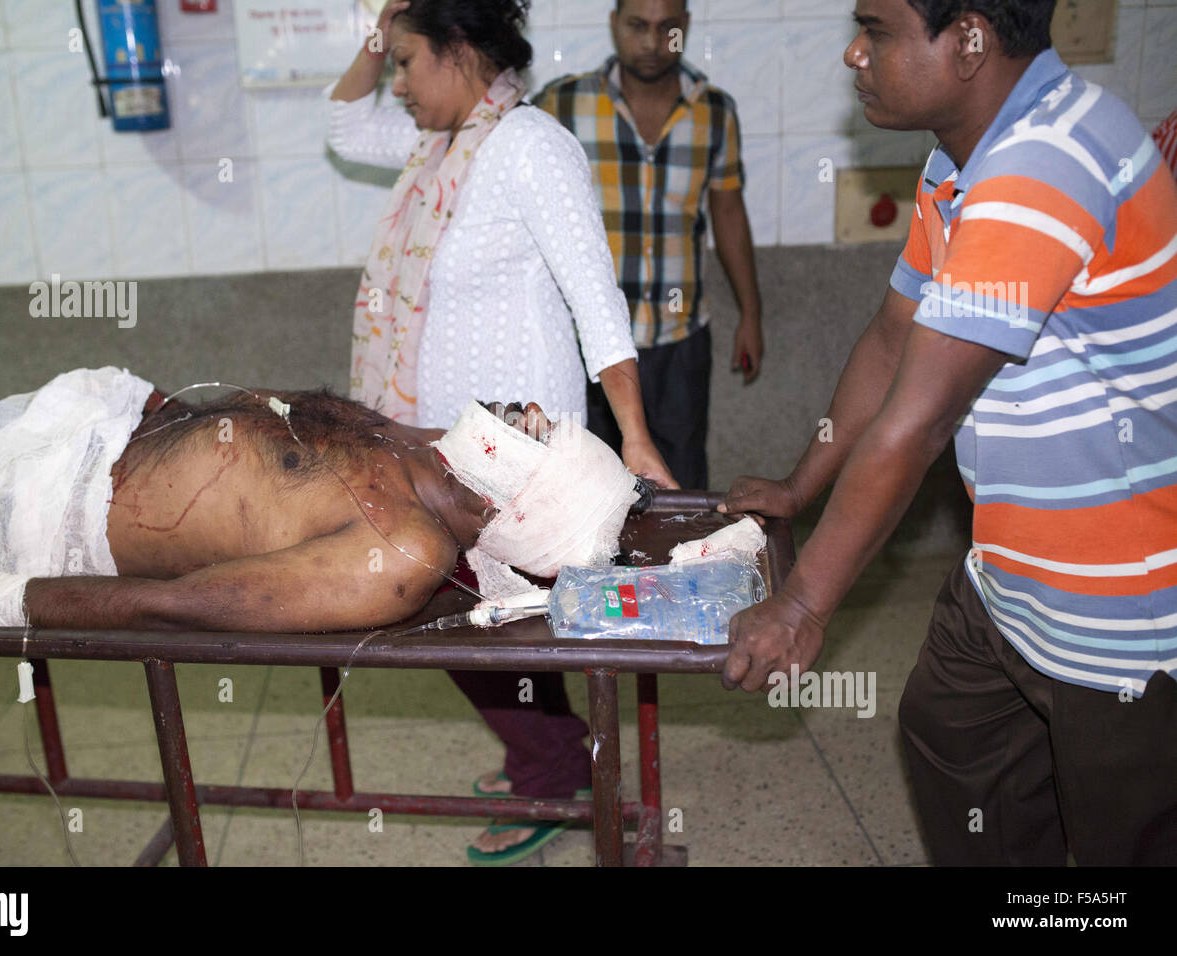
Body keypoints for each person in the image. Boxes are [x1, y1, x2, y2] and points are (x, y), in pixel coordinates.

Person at [718, 0, 1177, 865]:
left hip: (1120, 611)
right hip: (1012, 574)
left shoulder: (1045, 163)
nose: (854, 53)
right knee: (950, 737)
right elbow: (893, 339)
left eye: (878, 29)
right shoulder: (957, 163)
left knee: (1127, 840)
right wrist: (798, 487)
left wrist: (805, 603)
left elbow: (917, 421)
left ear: (970, 39)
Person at [326, 0, 676, 863]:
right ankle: (559, 758)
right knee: (486, 615)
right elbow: (338, 123)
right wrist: (383, 23)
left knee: (454, 610)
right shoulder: (433, 147)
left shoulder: (528, 144)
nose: (397, 84)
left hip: (507, 451)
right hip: (433, 444)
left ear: (459, 50)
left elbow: (597, 298)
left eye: (408, 62)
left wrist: (634, 435)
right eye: (393, 63)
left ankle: (552, 775)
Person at [0, 368, 637, 639]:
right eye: (546, 418)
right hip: (86, 426)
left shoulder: (402, 552)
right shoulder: (421, 444)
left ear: (518, 510)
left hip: (42, 510)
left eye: (540, 436)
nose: (533, 410)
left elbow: (176, 607)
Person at [533, 0, 764, 489]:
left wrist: (751, 313)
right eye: (638, 26)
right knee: (585, 492)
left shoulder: (715, 111)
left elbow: (727, 211)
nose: (653, 42)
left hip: (679, 338)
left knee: (680, 482)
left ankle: (680, 570)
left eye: (668, 28)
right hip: (588, 346)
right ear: (615, 24)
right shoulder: (561, 104)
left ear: (686, 27)